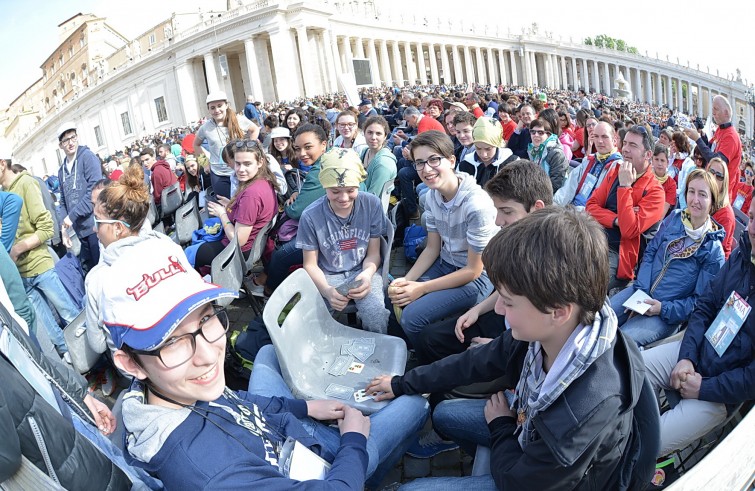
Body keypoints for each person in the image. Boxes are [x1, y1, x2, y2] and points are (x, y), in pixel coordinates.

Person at [103, 239, 429, 490]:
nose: (207, 354)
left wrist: (305, 406)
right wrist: (354, 440)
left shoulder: (172, 386)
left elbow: (236, 400)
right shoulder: (209, 473)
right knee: (414, 404)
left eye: (206, 319)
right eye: (172, 342)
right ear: (130, 364)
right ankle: (365, 476)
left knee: (266, 354)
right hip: (326, 468)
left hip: (289, 433)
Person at [368, 207, 653, 490]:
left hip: (536, 479)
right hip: (526, 432)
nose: (499, 308)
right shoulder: (549, 330)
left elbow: (519, 483)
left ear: (558, 312)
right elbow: (472, 362)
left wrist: (501, 428)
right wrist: (402, 383)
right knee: (443, 414)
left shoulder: (583, 411)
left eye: (509, 301)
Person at [642, 193, 755, 457]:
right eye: (751, 218)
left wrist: (705, 388)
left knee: (649, 444)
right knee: (631, 370)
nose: (751, 229)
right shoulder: (741, 256)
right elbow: (705, 306)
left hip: (718, 393)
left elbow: (752, 377)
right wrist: (687, 358)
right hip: (694, 353)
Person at [417, 161, 553, 366]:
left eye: (507, 212)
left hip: (525, 344)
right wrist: (477, 310)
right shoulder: (517, 237)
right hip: (505, 317)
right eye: (497, 211)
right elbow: (508, 288)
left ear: (537, 208)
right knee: (430, 338)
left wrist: (500, 346)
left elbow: (551, 333)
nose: (498, 221)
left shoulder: (555, 258)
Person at [386, 131, 497, 348]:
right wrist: (408, 280)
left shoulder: (476, 205)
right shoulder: (431, 197)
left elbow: (473, 270)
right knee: (395, 296)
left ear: (452, 160)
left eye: (434, 160)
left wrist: (421, 288)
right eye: (419, 163)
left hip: (476, 279)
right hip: (445, 264)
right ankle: (403, 350)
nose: (426, 169)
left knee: (412, 317)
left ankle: (429, 361)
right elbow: (432, 249)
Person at [610, 169, 725, 347]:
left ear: (712, 201)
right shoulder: (675, 218)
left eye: (702, 194)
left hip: (665, 313)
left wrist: (661, 308)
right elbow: (650, 253)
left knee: (621, 343)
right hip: (641, 291)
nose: (695, 200)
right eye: (691, 191)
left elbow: (699, 301)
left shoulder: (713, 250)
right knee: (600, 318)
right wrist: (642, 291)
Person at [298, 149, 390, 333]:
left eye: (351, 190)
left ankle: (378, 354)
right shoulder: (310, 216)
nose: (344, 198)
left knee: (376, 314)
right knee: (311, 322)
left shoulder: (371, 204)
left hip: (363, 270)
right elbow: (310, 264)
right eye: (335, 191)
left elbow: (373, 254)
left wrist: (367, 274)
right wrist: (326, 290)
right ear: (324, 186)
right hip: (328, 275)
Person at [0, 157, 79, 359]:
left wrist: (16, 250)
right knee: (52, 332)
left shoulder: (26, 183)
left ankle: (98, 364)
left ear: (2, 164)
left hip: (40, 266)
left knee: (70, 316)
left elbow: (46, 228)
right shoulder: (3, 195)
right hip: (20, 275)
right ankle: (80, 372)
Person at [85, 165, 162, 359]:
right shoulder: (165, 244)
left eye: (97, 221)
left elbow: (98, 344)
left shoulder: (97, 280)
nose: (94, 229)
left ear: (118, 228)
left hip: (140, 368)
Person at [586, 126, 666, 292]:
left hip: (619, 256)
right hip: (593, 238)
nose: (626, 149)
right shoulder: (615, 171)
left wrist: (624, 186)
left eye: (633, 146)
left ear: (648, 155)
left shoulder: (655, 192)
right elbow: (591, 206)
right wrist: (615, 220)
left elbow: (629, 230)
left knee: (584, 286)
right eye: (625, 143)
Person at [255, 124, 329, 294]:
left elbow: (295, 211)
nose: (302, 153)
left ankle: (269, 292)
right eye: (297, 148)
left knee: (280, 255)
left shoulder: (322, 170)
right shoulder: (325, 162)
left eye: (308, 147)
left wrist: (289, 204)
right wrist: (298, 192)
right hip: (330, 226)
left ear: (323, 144)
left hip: (333, 236)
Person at [193, 140, 279, 271]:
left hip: (237, 251)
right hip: (251, 247)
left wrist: (222, 213)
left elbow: (238, 240)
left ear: (260, 162)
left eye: (247, 164)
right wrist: (231, 205)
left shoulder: (251, 194)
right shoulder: (264, 181)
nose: (240, 169)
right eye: (237, 164)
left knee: (189, 253)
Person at [194, 91, 260, 199]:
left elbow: (255, 130)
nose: (216, 110)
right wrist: (205, 163)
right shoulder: (205, 128)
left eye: (219, 106)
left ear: (226, 105)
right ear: (209, 110)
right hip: (219, 175)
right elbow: (196, 145)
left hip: (241, 171)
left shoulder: (239, 120)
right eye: (212, 107)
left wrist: (249, 150)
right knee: (227, 206)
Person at [56, 121, 103, 270]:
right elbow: (63, 201)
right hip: (79, 230)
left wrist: (72, 216)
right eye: (66, 140)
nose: (70, 143)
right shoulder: (61, 171)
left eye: (73, 138)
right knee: (89, 271)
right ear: (61, 145)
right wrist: (64, 228)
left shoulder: (87, 157)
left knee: (101, 268)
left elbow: (94, 191)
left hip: (95, 225)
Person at [684, 95, 742, 201]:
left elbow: (716, 162)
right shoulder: (721, 129)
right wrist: (700, 135)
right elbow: (709, 147)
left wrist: (697, 139)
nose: (713, 113)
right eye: (712, 109)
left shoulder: (731, 136)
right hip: (712, 186)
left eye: (716, 109)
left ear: (726, 113)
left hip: (720, 192)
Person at [554, 121, 623, 208]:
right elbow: (568, 188)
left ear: (614, 140)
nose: (600, 141)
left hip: (591, 215)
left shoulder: (618, 166)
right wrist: (554, 208)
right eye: (596, 136)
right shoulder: (588, 161)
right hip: (572, 209)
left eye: (604, 137)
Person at [459, 117, 517, 188]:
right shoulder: (464, 165)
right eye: (478, 148)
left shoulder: (513, 164)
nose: (483, 154)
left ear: (497, 144)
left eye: (488, 149)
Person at [359, 115, 397, 197]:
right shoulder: (365, 151)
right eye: (370, 132)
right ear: (364, 133)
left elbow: (372, 196)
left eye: (378, 133)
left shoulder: (383, 163)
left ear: (385, 136)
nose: (373, 137)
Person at [706, 156, 735, 259]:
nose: (713, 177)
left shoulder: (726, 215)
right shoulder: (705, 198)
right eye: (711, 171)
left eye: (719, 176)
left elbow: (716, 251)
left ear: (724, 183)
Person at [527, 118, 567, 192]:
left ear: (548, 135)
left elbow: (555, 185)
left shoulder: (556, 154)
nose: (536, 135)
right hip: (537, 189)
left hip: (552, 196)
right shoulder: (533, 149)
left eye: (540, 132)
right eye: (533, 132)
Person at [667, 131, 695, 209]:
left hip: (678, 198)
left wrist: (672, 192)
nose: (671, 146)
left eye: (673, 144)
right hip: (669, 192)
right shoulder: (672, 157)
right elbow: (666, 172)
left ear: (679, 144)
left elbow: (683, 187)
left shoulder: (688, 162)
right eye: (671, 143)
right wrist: (671, 157)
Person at [651, 143, 677, 216]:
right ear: (652, 160)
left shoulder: (671, 184)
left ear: (667, 163)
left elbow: (662, 213)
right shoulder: (646, 176)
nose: (659, 163)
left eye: (662, 160)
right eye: (656, 159)